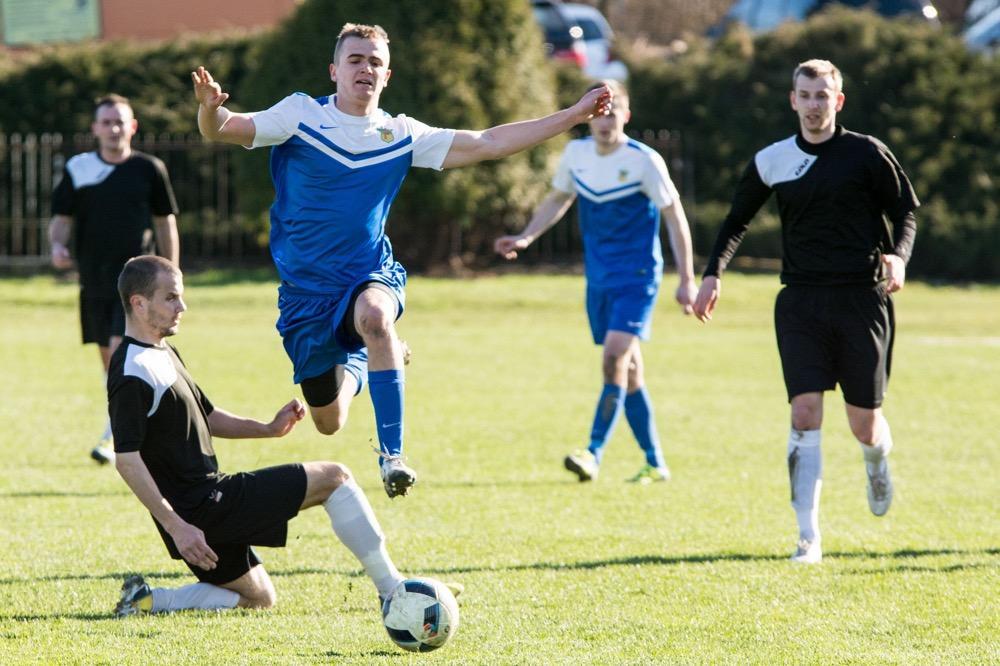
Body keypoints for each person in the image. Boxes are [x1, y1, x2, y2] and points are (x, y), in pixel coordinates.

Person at [190, 23, 611, 498]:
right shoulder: (300, 115)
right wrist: (209, 109)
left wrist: (574, 114)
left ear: (387, 76)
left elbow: (488, 142)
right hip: (305, 296)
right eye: (355, 59)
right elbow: (223, 129)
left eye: (375, 62)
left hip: (367, 273)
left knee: (374, 315)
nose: (365, 68)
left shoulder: (400, 134)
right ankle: (367, 358)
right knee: (329, 420)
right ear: (334, 70)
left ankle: (393, 457)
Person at [109, 255, 429, 617]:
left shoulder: (160, 350)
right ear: (139, 303)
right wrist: (177, 527)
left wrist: (267, 429)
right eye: (170, 298)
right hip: (202, 507)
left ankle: (149, 600)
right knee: (334, 478)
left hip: (198, 510)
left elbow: (206, 416)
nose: (182, 307)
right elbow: (127, 460)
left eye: (180, 296)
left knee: (259, 596)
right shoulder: (132, 371)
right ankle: (393, 590)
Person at [692, 59, 918, 564]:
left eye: (823, 95)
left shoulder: (867, 154)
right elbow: (736, 220)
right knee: (804, 413)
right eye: (806, 95)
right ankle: (807, 537)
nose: (814, 105)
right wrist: (713, 274)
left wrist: (898, 258)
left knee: (864, 424)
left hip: (863, 299)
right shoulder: (773, 160)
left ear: (838, 101)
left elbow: (905, 211)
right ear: (793, 100)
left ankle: (876, 459)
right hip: (800, 301)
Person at [494, 80, 696, 484]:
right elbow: (559, 198)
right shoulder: (576, 155)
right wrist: (527, 237)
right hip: (599, 279)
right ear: (588, 117)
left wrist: (687, 279)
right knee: (630, 371)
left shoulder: (644, 161)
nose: (606, 120)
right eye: (599, 112)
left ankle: (593, 453)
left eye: (613, 111)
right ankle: (655, 462)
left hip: (638, 277)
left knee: (614, 358)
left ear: (627, 115)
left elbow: (674, 217)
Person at [48, 94, 180, 465]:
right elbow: (61, 218)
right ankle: (132, 429)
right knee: (112, 365)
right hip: (93, 282)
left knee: (123, 357)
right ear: (95, 128)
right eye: (106, 122)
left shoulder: (149, 168)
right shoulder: (79, 168)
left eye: (120, 121)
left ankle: (114, 439)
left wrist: (172, 273)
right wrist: (57, 246)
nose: (113, 129)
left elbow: (165, 221)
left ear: (133, 126)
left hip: (138, 287)